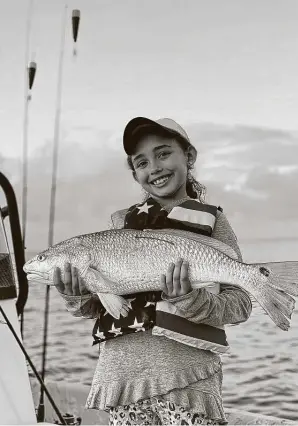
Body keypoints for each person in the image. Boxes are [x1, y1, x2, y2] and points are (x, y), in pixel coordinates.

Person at [54, 117, 252, 425]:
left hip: (188, 382)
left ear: (189, 156)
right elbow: (98, 306)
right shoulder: (120, 228)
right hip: (122, 380)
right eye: (142, 162)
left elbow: (239, 305)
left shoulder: (213, 223)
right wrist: (76, 295)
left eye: (163, 154)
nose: (154, 167)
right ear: (135, 174)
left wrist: (191, 299)